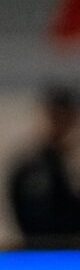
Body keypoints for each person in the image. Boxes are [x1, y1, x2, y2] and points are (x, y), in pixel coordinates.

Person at [7, 87, 80, 246]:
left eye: (66, 119)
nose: (61, 126)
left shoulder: (70, 164)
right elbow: (32, 220)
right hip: (43, 250)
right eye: (56, 118)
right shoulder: (32, 167)